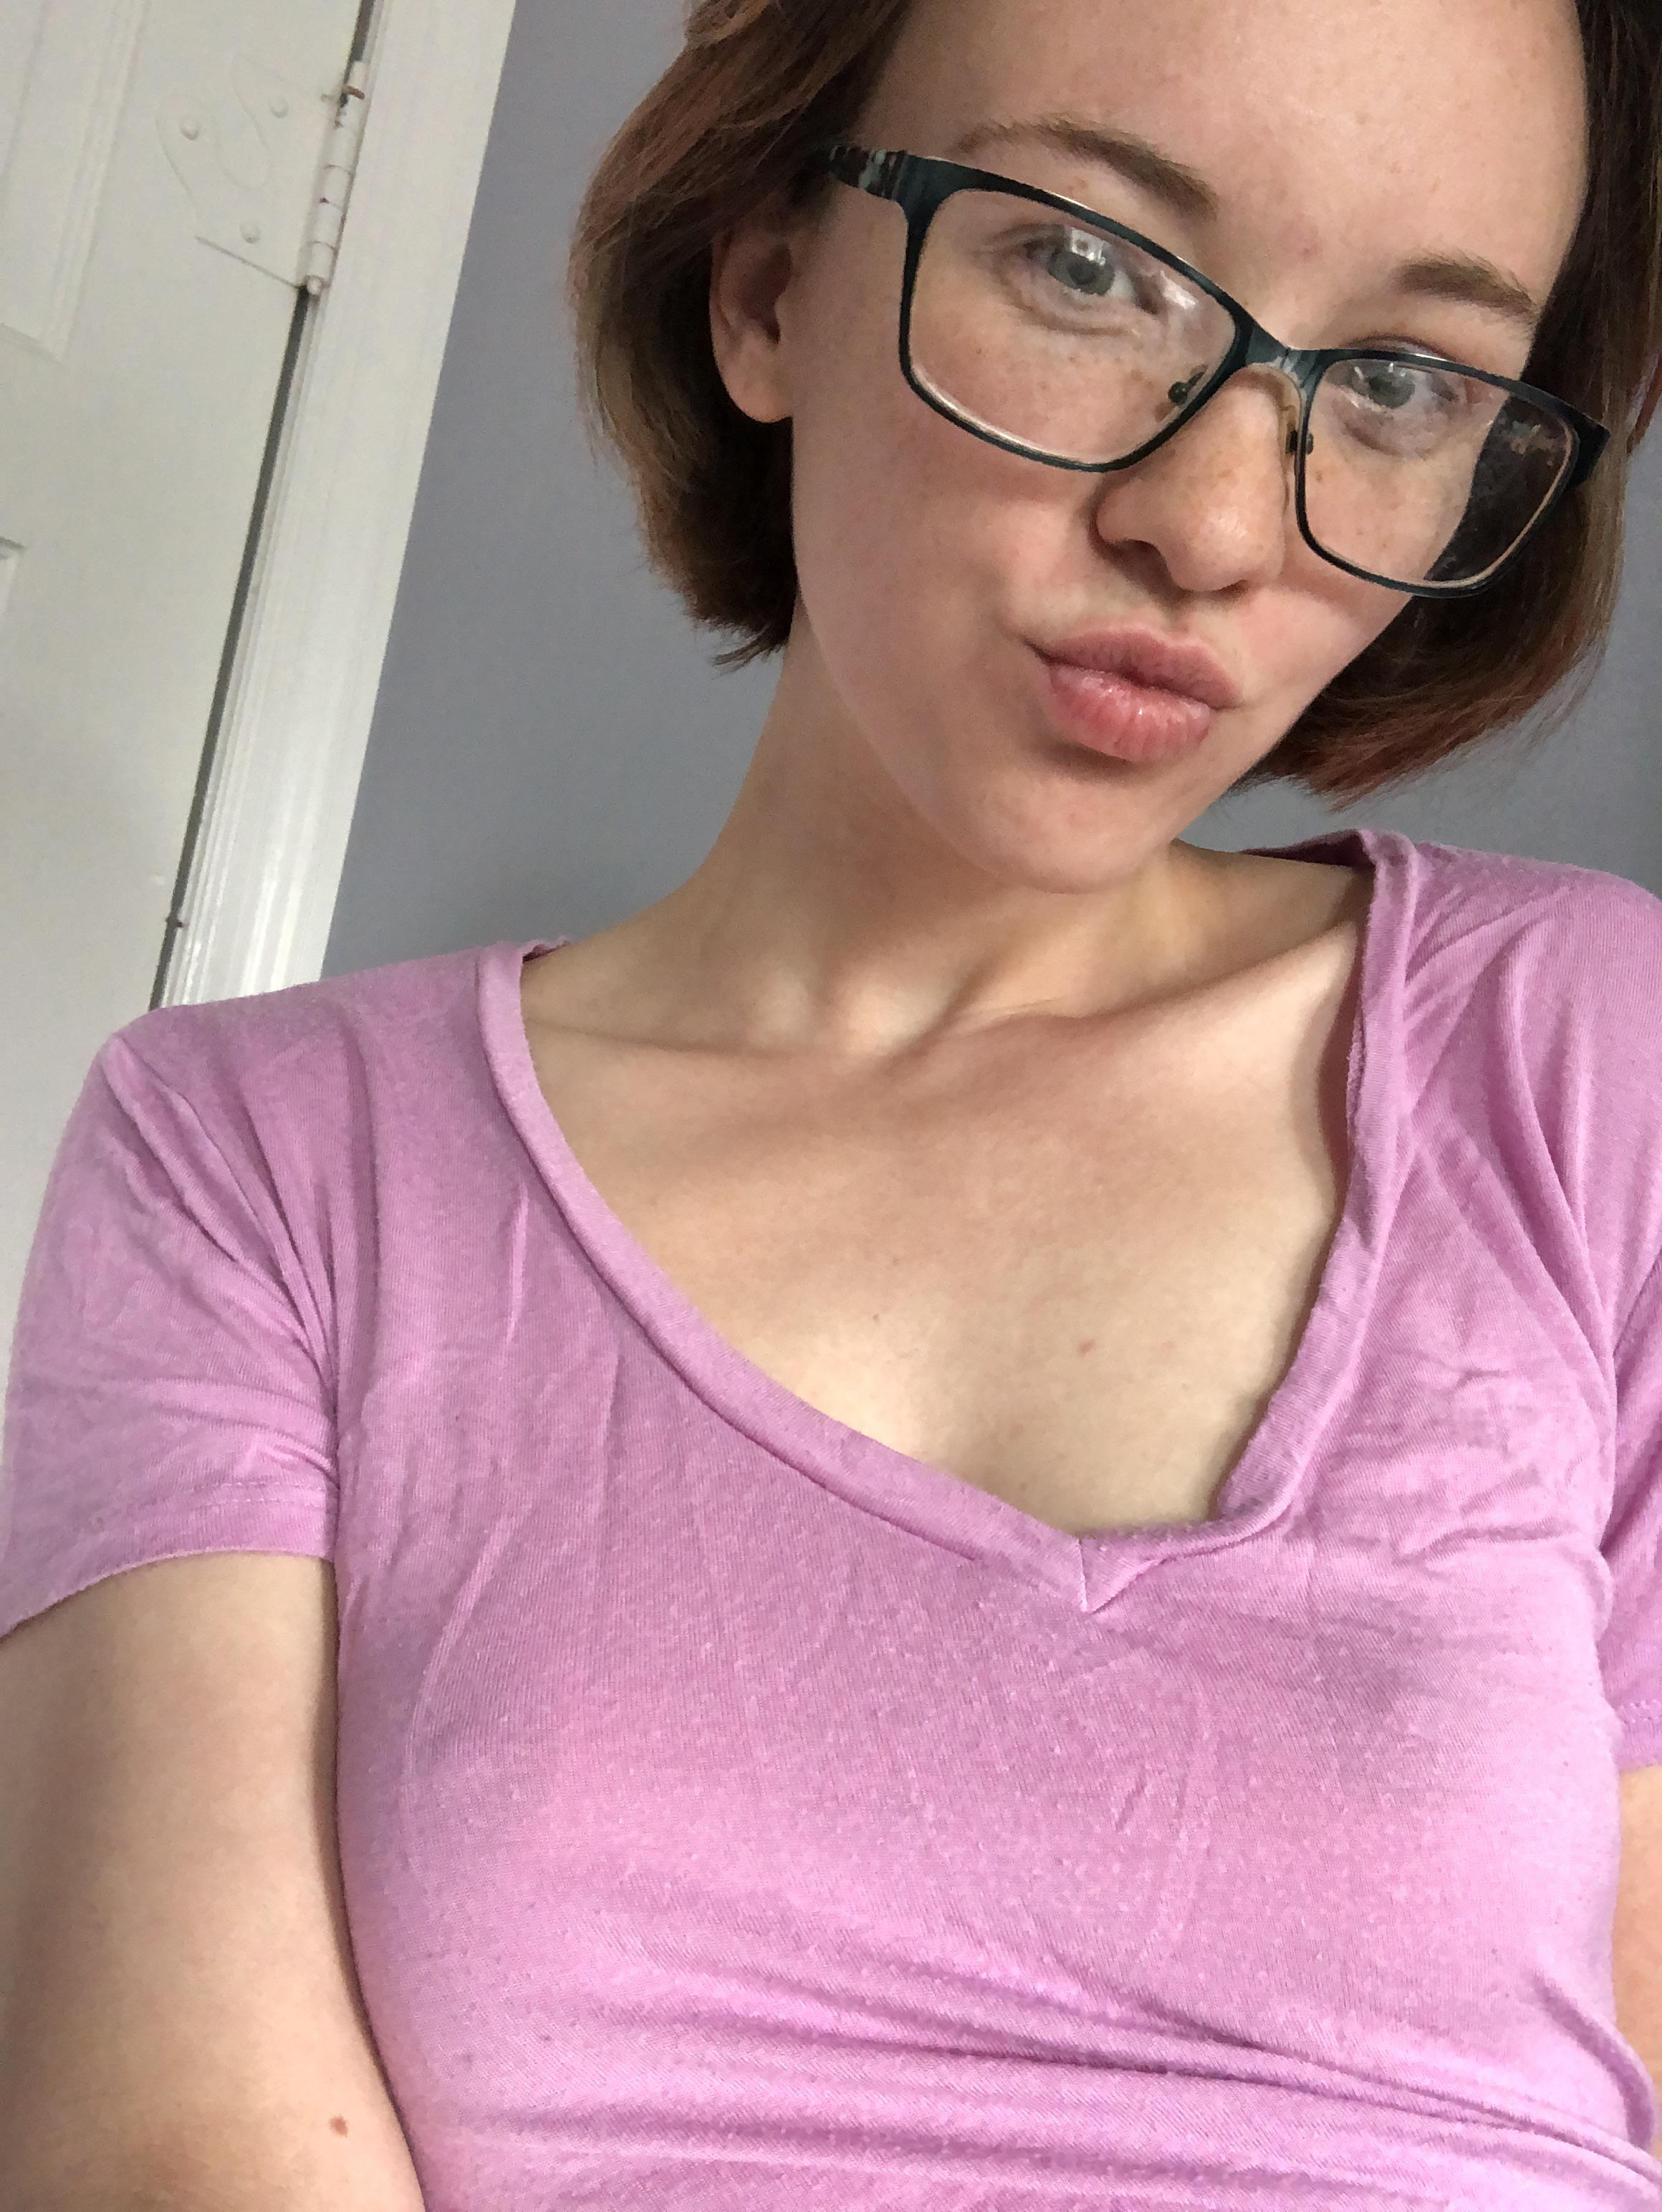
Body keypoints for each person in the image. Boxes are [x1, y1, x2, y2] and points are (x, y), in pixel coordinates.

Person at [2, 0, 1662, 2206]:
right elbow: (174, 2154)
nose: (1209, 529)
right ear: (768, 281)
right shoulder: (258, 1171)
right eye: (1087, 263)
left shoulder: (1597, 1066)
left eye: (1399, 384)